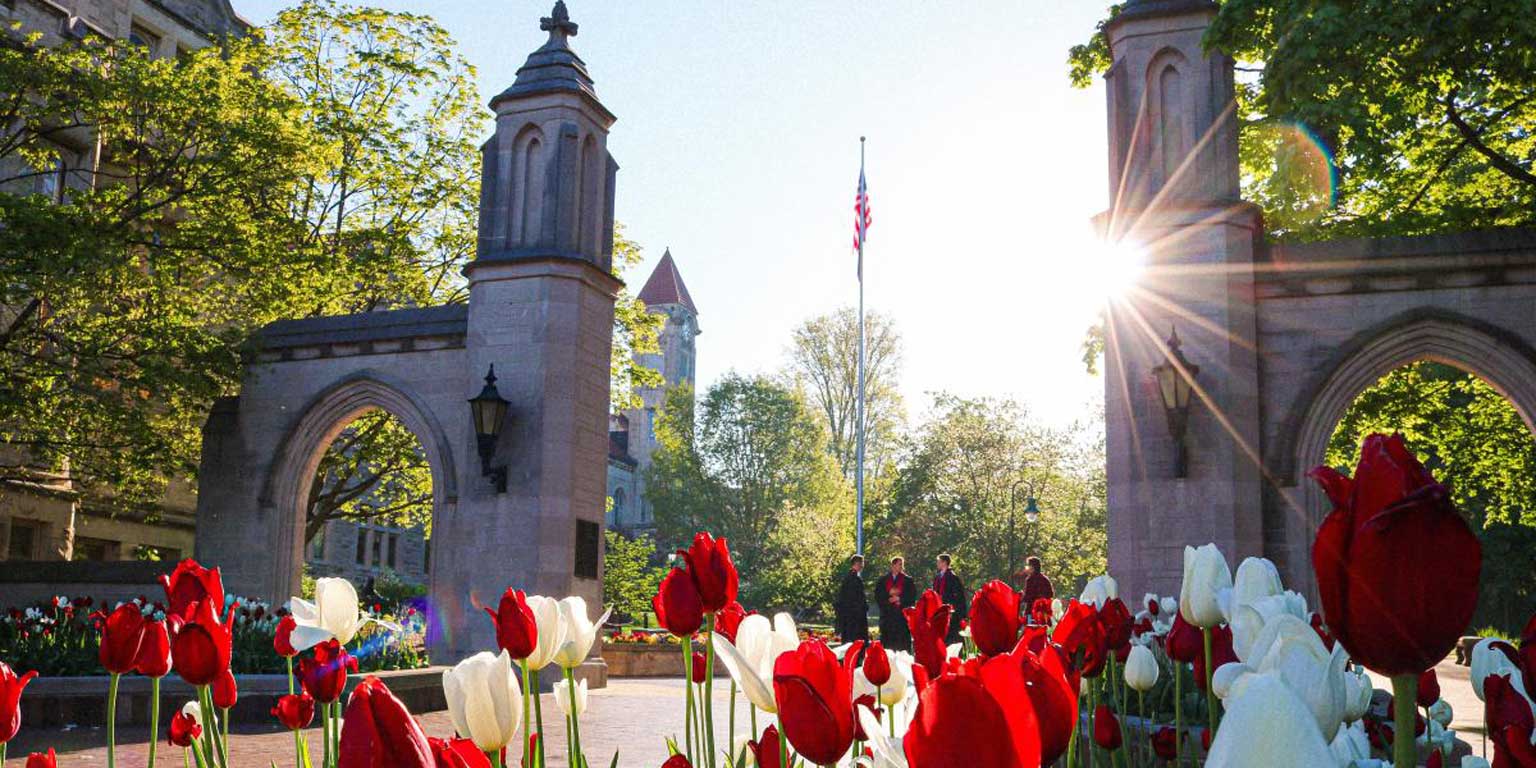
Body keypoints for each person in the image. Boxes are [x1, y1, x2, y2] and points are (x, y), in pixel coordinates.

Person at [876, 556, 917, 651]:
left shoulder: (908, 580)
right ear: (893, 565)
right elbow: (878, 596)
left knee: (902, 644)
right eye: (899, 564)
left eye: (902, 564)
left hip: (901, 617)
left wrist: (900, 599)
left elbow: (912, 596)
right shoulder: (883, 580)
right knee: (888, 645)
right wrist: (888, 600)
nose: (902, 567)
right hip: (888, 616)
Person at [834, 554, 870, 643]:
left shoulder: (849, 578)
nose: (862, 566)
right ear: (857, 563)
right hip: (854, 616)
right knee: (855, 639)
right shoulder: (853, 579)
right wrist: (863, 607)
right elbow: (855, 598)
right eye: (862, 563)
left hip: (850, 615)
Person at [932, 553, 967, 644]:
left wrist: (954, 609)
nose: (937, 563)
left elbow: (958, 596)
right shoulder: (938, 577)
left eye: (939, 561)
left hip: (950, 611)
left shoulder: (953, 577)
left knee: (950, 636)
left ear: (944, 562)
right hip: (939, 610)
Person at [1020, 555, 1054, 623]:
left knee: (1030, 627)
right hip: (1043, 612)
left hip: (1030, 612)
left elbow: (1028, 597)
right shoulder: (1045, 579)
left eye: (1028, 566)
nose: (1027, 568)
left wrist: (1020, 598)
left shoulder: (1030, 580)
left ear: (1033, 567)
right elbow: (1050, 594)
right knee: (1042, 627)